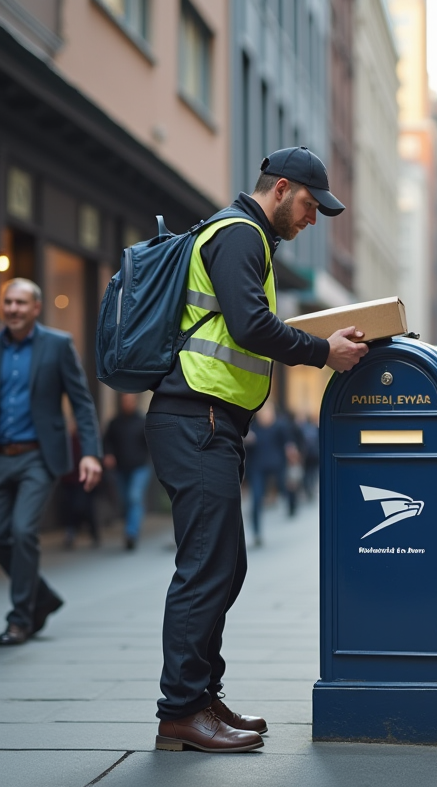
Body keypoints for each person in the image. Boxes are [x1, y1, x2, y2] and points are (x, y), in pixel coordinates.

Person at [145, 146, 367, 753]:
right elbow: (249, 326)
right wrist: (326, 352)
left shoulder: (246, 239)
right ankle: (181, 711)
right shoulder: (241, 234)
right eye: (310, 205)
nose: (313, 218)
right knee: (206, 568)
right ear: (282, 188)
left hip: (211, 422)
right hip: (197, 418)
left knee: (225, 564)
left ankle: (202, 695)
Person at [0, 278, 102, 646]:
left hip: (39, 457)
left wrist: (90, 453)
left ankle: (20, 619)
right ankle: (43, 598)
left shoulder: (57, 345)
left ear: (36, 308)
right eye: (8, 302)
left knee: (23, 531)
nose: (13, 309)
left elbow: (82, 402)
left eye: (21, 303)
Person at [244, 404, 297, 546]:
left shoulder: (280, 426)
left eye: (267, 412)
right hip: (257, 467)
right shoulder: (252, 427)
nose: (265, 415)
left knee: (286, 488)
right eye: (262, 412)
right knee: (256, 499)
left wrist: (291, 453)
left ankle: (292, 505)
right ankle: (256, 533)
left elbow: (288, 444)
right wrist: (247, 440)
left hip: (278, 466)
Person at [103, 393, 151, 550]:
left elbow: (151, 443)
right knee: (125, 500)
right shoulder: (115, 423)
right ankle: (131, 526)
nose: (127, 404)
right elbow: (106, 442)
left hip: (140, 468)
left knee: (134, 497)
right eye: (125, 401)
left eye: (130, 401)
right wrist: (108, 455)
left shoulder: (142, 422)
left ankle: (131, 533)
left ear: (134, 402)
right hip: (121, 469)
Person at [59, 424, 99, 549]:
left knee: (84, 506)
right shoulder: (67, 440)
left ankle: (93, 533)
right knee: (70, 507)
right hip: (69, 480)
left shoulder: (88, 441)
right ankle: (71, 533)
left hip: (85, 479)